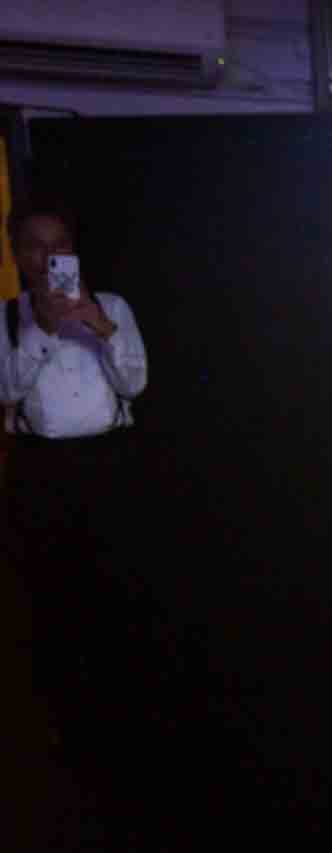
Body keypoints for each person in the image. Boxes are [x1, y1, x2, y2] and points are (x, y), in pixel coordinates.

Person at [1, 201, 149, 757]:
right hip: (42, 472)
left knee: (116, 587)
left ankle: (123, 705)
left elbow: (135, 384)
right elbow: (7, 392)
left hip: (108, 465)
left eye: (60, 244)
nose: (50, 256)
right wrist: (39, 329)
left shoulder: (110, 306)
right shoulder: (6, 317)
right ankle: (61, 717)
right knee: (52, 596)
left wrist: (100, 326)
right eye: (37, 245)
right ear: (18, 253)